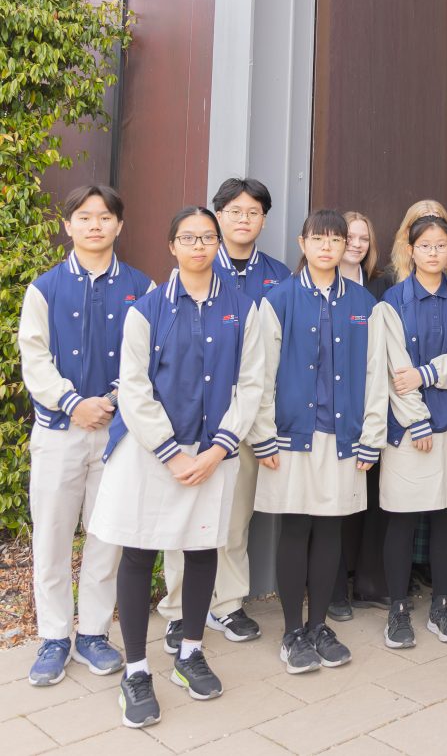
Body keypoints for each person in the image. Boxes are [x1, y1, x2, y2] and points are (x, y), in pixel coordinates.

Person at [89, 207, 265, 728]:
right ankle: (136, 670)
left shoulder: (244, 308)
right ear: (172, 245)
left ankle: (190, 653)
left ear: (217, 244)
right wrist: (171, 451)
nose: (199, 245)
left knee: (202, 548)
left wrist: (217, 450)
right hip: (152, 454)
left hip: (213, 452)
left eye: (207, 237)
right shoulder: (147, 309)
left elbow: (251, 384)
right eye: (188, 237)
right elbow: (134, 387)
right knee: (139, 553)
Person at [19, 185, 153, 687]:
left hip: (116, 433)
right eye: (84, 216)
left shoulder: (142, 287)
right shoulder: (44, 289)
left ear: (119, 225)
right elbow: (34, 358)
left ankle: (94, 633)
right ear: (68, 225)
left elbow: (148, 356)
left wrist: (111, 400)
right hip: (59, 431)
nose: (95, 225)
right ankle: (54, 637)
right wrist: (73, 402)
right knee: (52, 536)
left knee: (106, 537)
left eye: (104, 217)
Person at [249, 209, 388, 673]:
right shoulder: (279, 299)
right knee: (295, 528)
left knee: (330, 530)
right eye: (318, 239)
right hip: (291, 435)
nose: (327, 247)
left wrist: (372, 435)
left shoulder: (365, 303)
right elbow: (261, 373)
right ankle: (293, 631)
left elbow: (376, 375)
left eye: (336, 239)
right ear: (302, 243)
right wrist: (264, 435)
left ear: (347, 245)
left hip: (343, 435)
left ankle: (319, 626)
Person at [159, 178, 290, 651]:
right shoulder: (191, 270)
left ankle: (227, 604)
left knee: (234, 521)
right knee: (184, 519)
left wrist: (264, 425)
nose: (243, 219)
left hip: (249, 418)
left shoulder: (278, 277)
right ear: (218, 218)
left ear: (263, 220)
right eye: (234, 211)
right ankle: (177, 610)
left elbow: (276, 357)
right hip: (192, 419)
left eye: (253, 212)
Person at [378, 215, 447, 648]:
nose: (433, 252)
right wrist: (416, 419)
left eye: (441, 245)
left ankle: (442, 606)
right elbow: (393, 371)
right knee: (403, 518)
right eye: (425, 245)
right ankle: (398, 610)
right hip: (411, 427)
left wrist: (426, 373)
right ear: (411, 250)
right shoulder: (392, 302)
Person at [330, 209, 392, 617]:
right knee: (334, 501)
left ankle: (369, 581)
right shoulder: (318, 282)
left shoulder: (378, 287)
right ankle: (334, 586)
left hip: (372, 402)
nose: (355, 244)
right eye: (348, 237)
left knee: (373, 497)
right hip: (333, 406)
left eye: (363, 238)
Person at [388, 200, 447, 283]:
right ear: (408, 231)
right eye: (422, 224)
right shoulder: (390, 277)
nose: (431, 229)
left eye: (438, 222)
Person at [339, 209, 392, 298]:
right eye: (349, 237)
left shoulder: (383, 283)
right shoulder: (321, 281)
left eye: (364, 239)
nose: (357, 244)